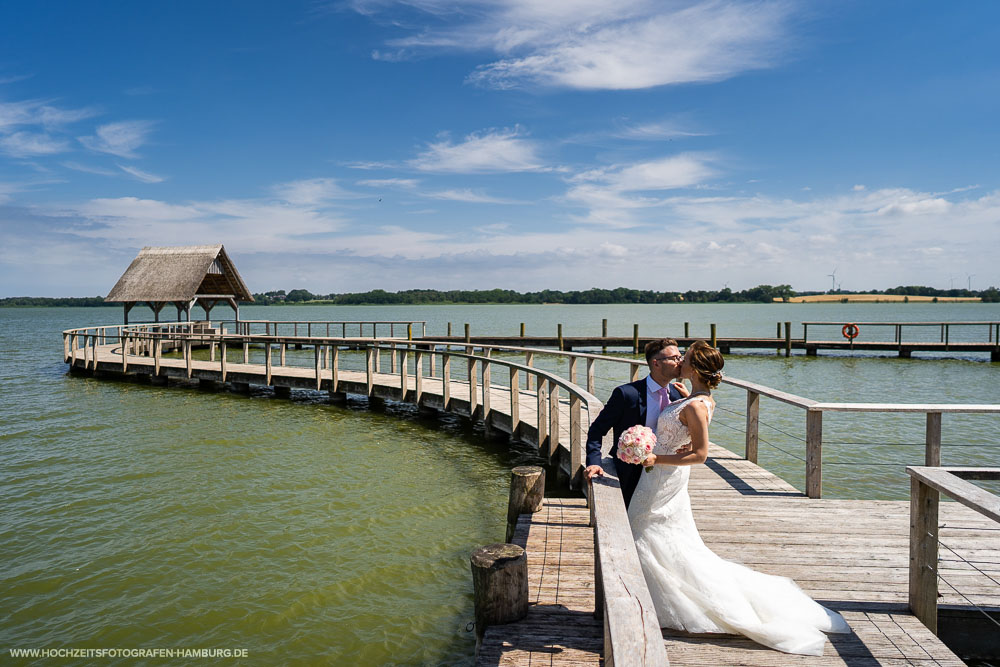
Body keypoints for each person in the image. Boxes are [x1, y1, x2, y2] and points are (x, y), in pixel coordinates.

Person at [628, 340, 851, 655]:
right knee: (659, 535)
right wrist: (682, 398)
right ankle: (649, 595)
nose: (680, 360)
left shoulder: (694, 404)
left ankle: (656, 601)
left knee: (643, 531)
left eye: (685, 358)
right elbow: (686, 431)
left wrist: (656, 460)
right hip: (663, 476)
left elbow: (701, 454)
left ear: (695, 368)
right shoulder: (695, 398)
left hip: (665, 474)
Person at [585, 338, 689, 508]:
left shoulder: (679, 395)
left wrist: (688, 445)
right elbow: (597, 430)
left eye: (681, 357)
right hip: (631, 472)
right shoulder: (627, 394)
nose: (680, 362)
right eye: (675, 358)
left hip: (666, 473)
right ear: (656, 363)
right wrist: (594, 462)